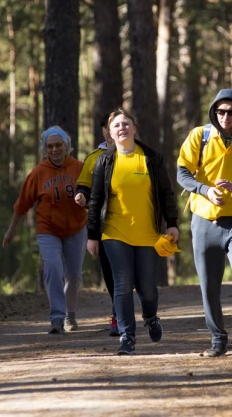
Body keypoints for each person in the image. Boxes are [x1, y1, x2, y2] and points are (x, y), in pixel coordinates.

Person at [177, 89, 232, 358]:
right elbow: (182, 173)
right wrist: (205, 190)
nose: (225, 117)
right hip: (204, 221)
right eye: (220, 111)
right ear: (214, 113)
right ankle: (218, 340)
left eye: (231, 112)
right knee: (209, 285)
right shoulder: (199, 136)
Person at [86, 108, 179, 355]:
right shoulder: (104, 161)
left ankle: (150, 316)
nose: (122, 128)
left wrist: (172, 222)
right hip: (115, 233)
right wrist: (93, 236)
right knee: (123, 284)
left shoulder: (151, 157)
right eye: (116, 125)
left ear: (135, 128)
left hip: (148, 233)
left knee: (148, 288)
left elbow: (166, 193)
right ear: (110, 132)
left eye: (126, 123)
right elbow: (95, 200)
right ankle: (127, 336)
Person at [3, 126, 86, 334]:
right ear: (45, 149)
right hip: (47, 228)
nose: (55, 149)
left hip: (76, 227)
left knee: (74, 274)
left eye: (59, 145)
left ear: (67, 146)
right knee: (53, 268)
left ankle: (70, 315)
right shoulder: (38, 173)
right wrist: (11, 231)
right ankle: (57, 318)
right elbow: (22, 204)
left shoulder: (80, 167)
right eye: (50, 146)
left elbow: (93, 196)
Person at [75, 113, 119, 336]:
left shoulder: (136, 153)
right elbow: (83, 187)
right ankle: (118, 314)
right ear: (103, 129)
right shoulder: (93, 158)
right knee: (110, 272)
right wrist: (82, 196)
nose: (113, 129)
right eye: (108, 126)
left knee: (130, 273)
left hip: (132, 222)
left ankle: (132, 311)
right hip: (103, 225)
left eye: (119, 124)